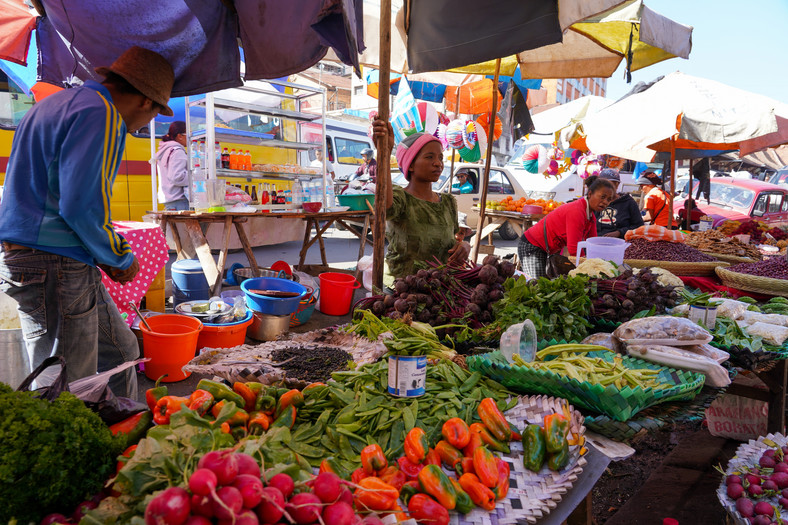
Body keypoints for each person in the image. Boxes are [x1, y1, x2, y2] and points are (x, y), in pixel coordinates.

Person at [0, 46, 175, 399]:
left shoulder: (55, 104)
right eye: (156, 113)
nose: (147, 124)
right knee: (66, 385)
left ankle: (122, 428)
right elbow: (81, 206)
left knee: (122, 351)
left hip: (54, 259)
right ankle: (65, 450)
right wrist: (120, 257)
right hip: (55, 261)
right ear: (146, 103)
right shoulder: (103, 114)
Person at [371, 119, 470, 283]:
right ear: (410, 165)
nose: (438, 163)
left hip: (440, 288)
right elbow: (384, 208)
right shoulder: (401, 197)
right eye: (429, 157)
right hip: (402, 289)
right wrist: (385, 153)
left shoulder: (447, 202)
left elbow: (450, 242)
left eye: (440, 157)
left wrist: (464, 246)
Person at [518, 175, 616, 278]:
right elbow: (574, 248)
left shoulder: (591, 218)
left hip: (546, 249)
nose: (605, 202)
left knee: (543, 285)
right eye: (602, 197)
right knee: (537, 285)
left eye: (609, 199)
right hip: (532, 245)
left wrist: (600, 264)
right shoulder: (577, 211)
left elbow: (592, 244)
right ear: (590, 194)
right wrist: (587, 268)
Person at [596, 168, 644, 237]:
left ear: (617, 185)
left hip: (620, 244)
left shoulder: (628, 202)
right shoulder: (595, 201)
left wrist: (620, 233)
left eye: (610, 185)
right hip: (595, 243)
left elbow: (639, 226)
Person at [156, 121, 190, 210]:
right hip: (179, 200)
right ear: (180, 136)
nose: (191, 137)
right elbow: (177, 177)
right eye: (189, 134)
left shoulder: (166, 150)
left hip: (170, 199)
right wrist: (196, 176)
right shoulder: (177, 151)